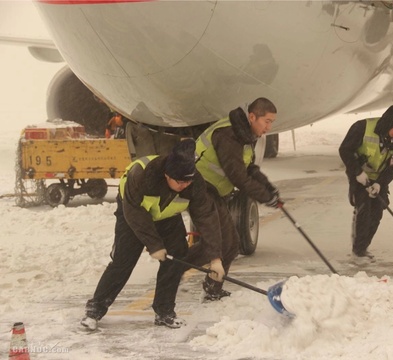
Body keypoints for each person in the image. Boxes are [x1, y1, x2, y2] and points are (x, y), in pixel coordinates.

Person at [80, 139, 224, 331]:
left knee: (177, 256)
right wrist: (154, 245)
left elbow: (206, 217)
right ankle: (95, 310)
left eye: (188, 181)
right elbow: (134, 213)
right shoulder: (141, 174)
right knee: (123, 261)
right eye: (180, 181)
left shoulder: (194, 184)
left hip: (167, 216)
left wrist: (215, 258)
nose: (184, 186)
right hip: (132, 213)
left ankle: (164, 312)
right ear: (167, 174)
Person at [194, 97, 282, 300]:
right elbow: (238, 176)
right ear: (252, 117)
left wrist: (268, 188)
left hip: (214, 190)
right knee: (220, 243)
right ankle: (176, 265)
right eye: (267, 121)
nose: (269, 127)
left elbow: (249, 168)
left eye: (271, 122)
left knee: (230, 244)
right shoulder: (228, 135)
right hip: (199, 188)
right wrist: (264, 197)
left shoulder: (245, 134)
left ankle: (212, 286)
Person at [339, 105, 393, 258]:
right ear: (389, 122)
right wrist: (357, 172)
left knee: (377, 212)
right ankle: (359, 251)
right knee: (364, 210)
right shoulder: (362, 128)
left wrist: (381, 183)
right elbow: (345, 150)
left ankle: (364, 246)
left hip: (380, 178)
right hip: (359, 175)